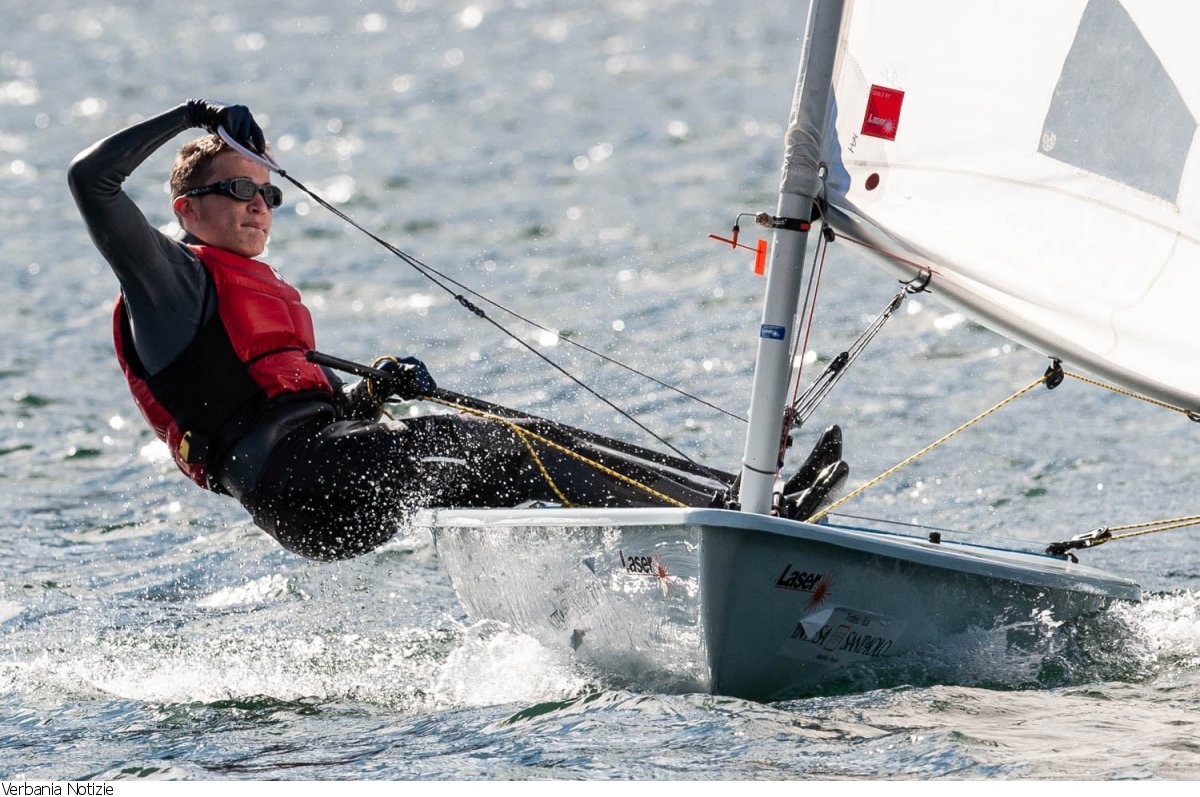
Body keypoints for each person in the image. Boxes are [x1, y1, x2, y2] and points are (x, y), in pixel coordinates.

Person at [68, 100, 721, 561]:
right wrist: (193, 115)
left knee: (528, 450)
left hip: (330, 478)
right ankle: (708, 525)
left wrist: (374, 394)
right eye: (240, 188)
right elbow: (90, 181)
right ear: (186, 209)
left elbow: (312, 414)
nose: (259, 206)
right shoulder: (168, 285)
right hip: (300, 483)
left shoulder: (259, 289)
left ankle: (681, 531)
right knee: (507, 449)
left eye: (269, 194)